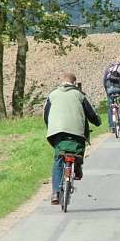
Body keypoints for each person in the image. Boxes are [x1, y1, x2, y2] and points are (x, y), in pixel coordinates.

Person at [44, 73, 101, 205]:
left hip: (57, 131)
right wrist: (97, 122)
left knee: (58, 158)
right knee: (78, 147)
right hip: (77, 131)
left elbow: (45, 115)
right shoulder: (80, 95)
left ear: (61, 81)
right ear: (74, 83)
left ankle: (55, 192)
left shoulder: (52, 95)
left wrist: (51, 127)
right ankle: (78, 167)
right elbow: (91, 113)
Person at [103, 58, 120, 128]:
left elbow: (104, 81)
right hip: (119, 90)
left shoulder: (109, 68)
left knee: (110, 106)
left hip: (109, 90)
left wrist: (107, 91)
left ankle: (112, 126)